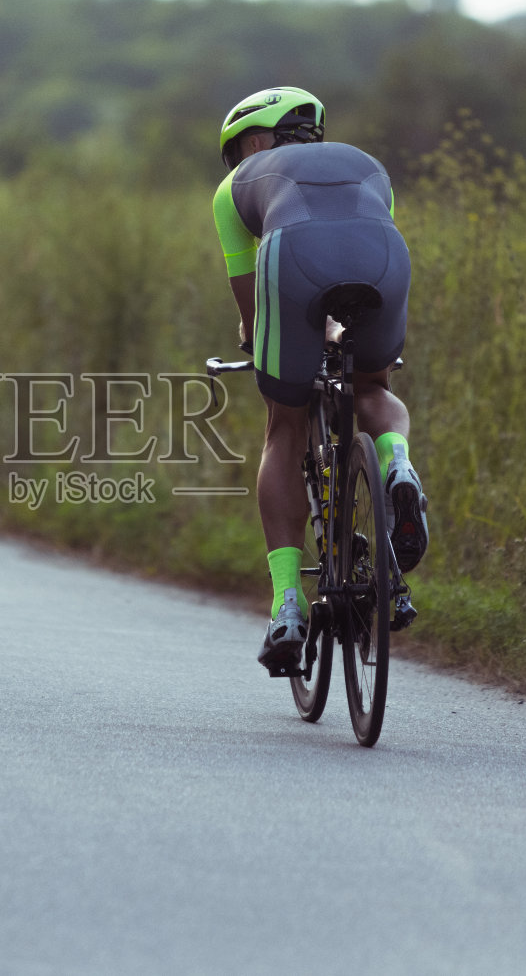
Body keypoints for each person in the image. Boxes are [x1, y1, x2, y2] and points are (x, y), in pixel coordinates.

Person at [210, 86, 428, 675]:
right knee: (374, 389)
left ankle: (286, 603)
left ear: (256, 140)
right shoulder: (368, 166)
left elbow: (254, 310)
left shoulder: (235, 189)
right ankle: (397, 468)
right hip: (384, 255)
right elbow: (348, 253)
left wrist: (258, 344)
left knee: (284, 423)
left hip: (292, 256)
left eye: (238, 150)